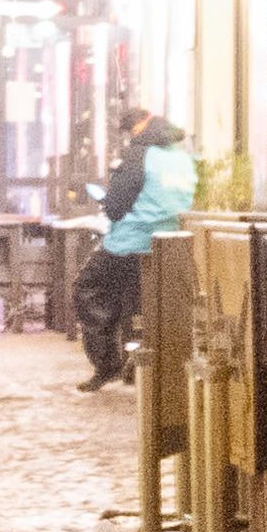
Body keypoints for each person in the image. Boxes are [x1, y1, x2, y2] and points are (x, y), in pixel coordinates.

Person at [74, 109, 198, 386]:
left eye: (130, 132)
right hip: (171, 244)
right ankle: (137, 369)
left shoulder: (139, 153)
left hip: (131, 241)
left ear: (137, 127)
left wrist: (107, 203)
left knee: (88, 288)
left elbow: (116, 208)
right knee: (139, 303)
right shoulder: (182, 156)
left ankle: (107, 365)